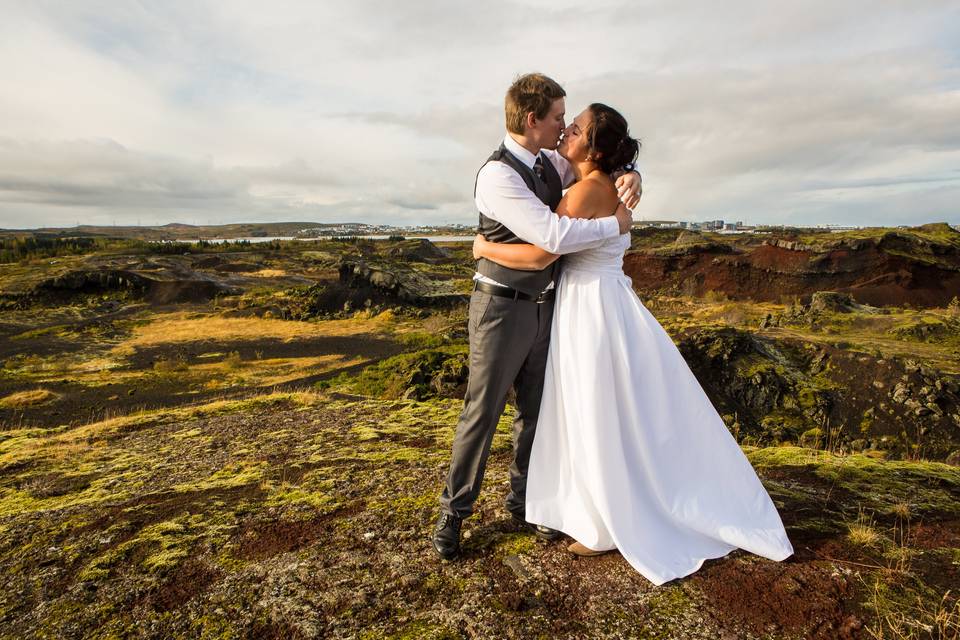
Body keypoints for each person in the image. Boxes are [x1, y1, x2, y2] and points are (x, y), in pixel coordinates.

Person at [472, 103, 794, 585]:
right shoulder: (596, 180)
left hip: (590, 308)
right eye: (568, 122)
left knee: (594, 407)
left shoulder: (584, 193)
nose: (566, 132)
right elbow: (589, 188)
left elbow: (542, 253)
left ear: (595, 148)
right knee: (613, 407)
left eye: (576, 129)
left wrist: (482, 247)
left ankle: (604, 523)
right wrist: (631, 172)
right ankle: (599, 504)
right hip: (603, 300)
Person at [432, 73, 643, 560]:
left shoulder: (551, 164)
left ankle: (524, 501)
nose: (563, 125)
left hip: (548, 308)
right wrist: (617, 224)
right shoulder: (498, 175)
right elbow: (553, 237)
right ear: (533, 120)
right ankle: (454, 512)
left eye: (568, 121)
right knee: (482, 413)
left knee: (536, 411)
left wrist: (632, 173)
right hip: (500, 307)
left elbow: (598, 168)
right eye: (557, 118)